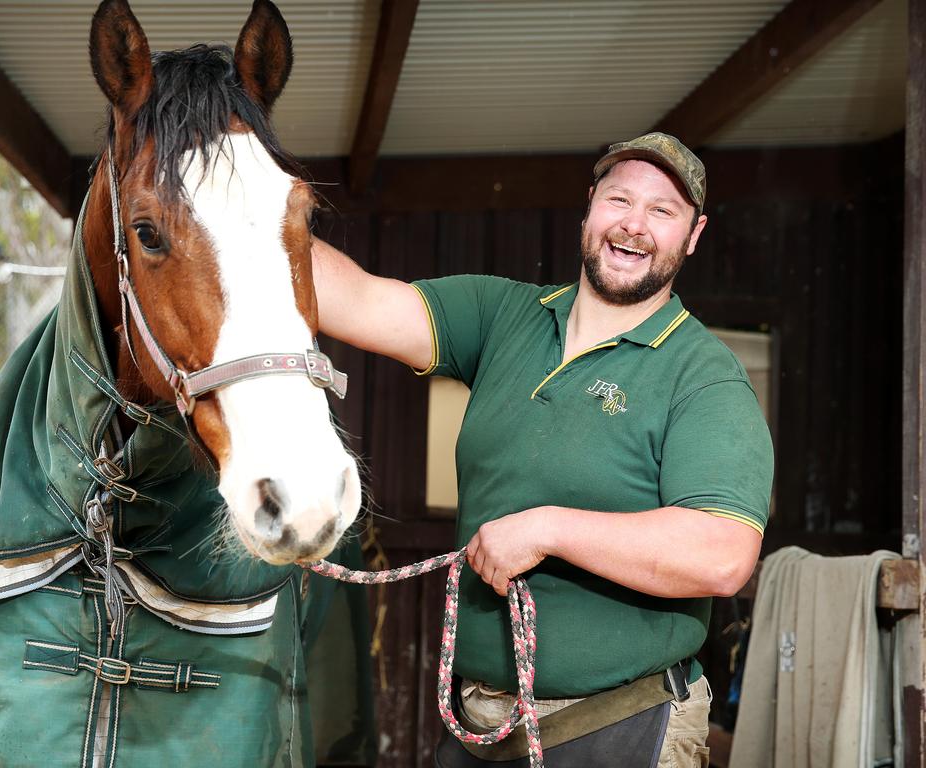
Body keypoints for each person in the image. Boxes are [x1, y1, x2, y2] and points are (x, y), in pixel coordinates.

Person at [311, 132, 773, 766]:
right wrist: (242, 208)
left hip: (622, 725)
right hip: (481, 724)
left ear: (692, 236)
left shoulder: (704, 375)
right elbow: (358, 301)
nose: (634, 225)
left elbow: (723, 553)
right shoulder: (506, 315)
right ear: (589, 209)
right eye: (619, 200)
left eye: (662, 211)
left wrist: (549, 530)